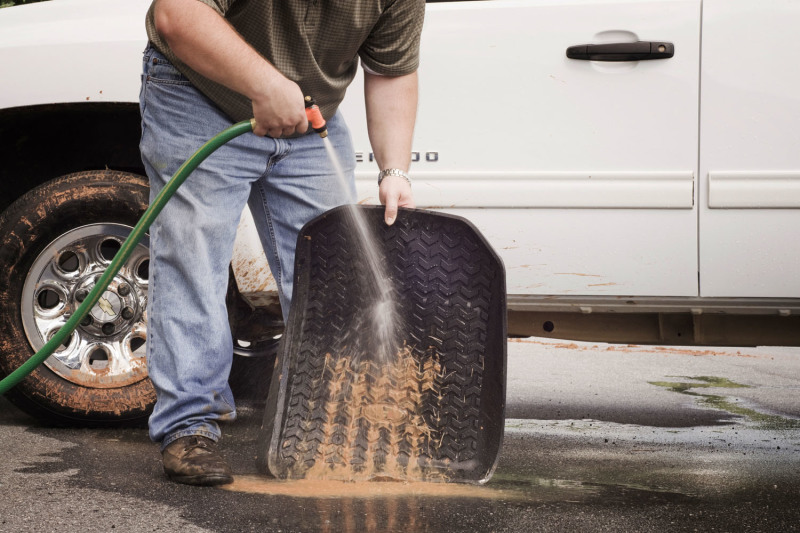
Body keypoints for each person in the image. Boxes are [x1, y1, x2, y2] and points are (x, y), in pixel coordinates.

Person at [139, 0, 425, 486]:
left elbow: (392, 70)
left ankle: (330, 422)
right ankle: (189, 427)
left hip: (311, 117)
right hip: (199, 94)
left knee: (334, 270)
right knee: (193, 255)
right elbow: (177, 13)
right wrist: (265, 84)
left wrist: (394, 170)